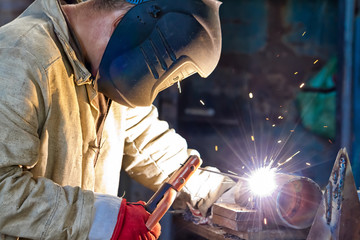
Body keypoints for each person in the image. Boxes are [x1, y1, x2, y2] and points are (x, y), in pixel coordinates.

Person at [0, 0, 234, 239]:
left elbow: (147, 142)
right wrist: (104, 219)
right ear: (124, 23)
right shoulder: (18, 59)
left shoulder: (103, 72)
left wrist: (216, 192)